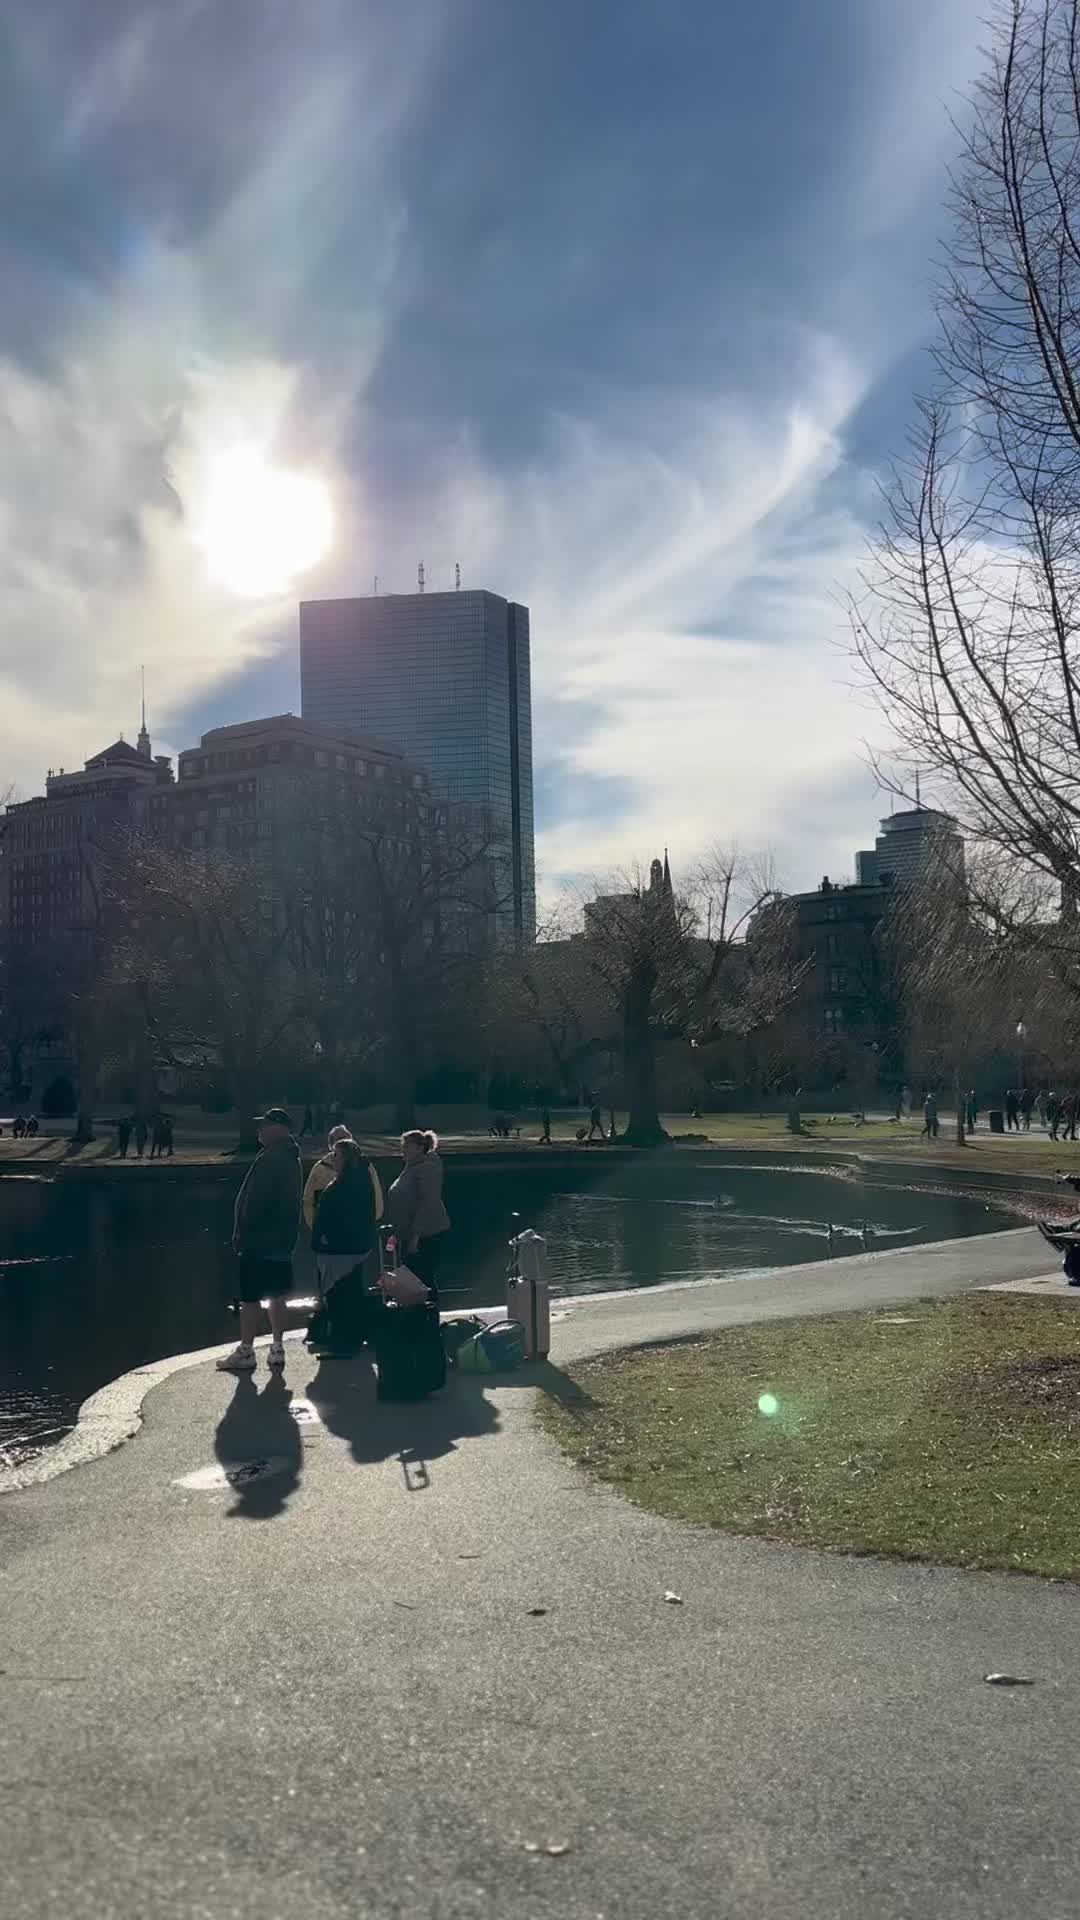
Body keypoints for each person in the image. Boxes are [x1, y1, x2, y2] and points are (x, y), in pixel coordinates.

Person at [217, 1108, 302, 1374]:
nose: (260, 1130)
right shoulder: (290, 1156)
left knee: (250, 1297)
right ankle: (277, 1347)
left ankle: (246, 1350)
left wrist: (243, 1231)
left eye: (264, 1125)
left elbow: (256, 1202)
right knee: (277, 1294)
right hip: (281, 1240)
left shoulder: (272, 1158)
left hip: (259, 1241)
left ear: (278, 1128)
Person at [310, 1137, 383, 1354]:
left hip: (342, 1248)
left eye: (337, 1155)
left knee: (341, 1294)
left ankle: (344, 1341)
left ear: (347, 1158)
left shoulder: (352, 1181)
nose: (333, 1158)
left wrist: (328, 1237)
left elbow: (349, 1216)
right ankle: (349, 1336)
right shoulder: (356, 1178)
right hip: (347, 1246)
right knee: (347, 1292)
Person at [387, 1129, 450, 1295]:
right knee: (414, 1278)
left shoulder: (426, 1168)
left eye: (408, 1146)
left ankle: (428, 1315)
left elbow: (427, 1203)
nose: (403, 1149)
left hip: (426, 1235)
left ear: (420, 1147)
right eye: (403, 1146)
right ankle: (418, 1314)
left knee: (423, 1277)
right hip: (410, 1233)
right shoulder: (412, 1167)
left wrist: (415, 1236)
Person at [302, 1123, 356, 1231]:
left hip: (357, 1229)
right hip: (328, 1232)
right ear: (331, 1144)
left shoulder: (366, 1167)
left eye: (346, 1138)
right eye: (339, 1139)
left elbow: (376, 1199)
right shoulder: (319, 1169)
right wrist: (315, 1226)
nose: (343, 1142)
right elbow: (308, 1201)